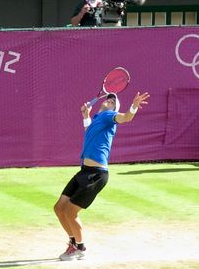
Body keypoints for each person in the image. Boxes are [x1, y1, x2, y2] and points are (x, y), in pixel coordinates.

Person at [54, 91, 150, 261]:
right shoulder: (98, 118)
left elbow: (126, 117)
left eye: (113, 101)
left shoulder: (109, 116)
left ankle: (80, 248)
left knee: (70, 213)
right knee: (59, 208)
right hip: (84, 172)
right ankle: (73, 242)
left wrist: (134, 106)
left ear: (114, 108)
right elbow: (89, 132)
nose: (109, 101)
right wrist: (86, 115)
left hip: (97, 175)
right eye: (108, 99)